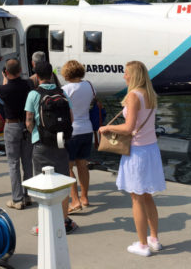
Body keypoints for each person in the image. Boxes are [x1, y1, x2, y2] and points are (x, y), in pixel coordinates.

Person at [98, 61, 164, 257]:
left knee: (136, 198)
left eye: (126, 73)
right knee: (147, 196)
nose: (124, 76)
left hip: (138, 152)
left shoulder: (134, 96)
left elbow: (128, 128)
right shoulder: (150, 95)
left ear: (133, 76)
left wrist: (107, 128)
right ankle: (154, 238)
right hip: (151, 149)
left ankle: (142, 245)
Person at [25, 61, 77, 234]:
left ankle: (44, 224)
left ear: (36, 76)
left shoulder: (33, 94)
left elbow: (29, 120)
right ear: (52, 74)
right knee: (62, 183)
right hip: (61, 143)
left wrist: (33, 133)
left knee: (42, 185)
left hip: (41, 144)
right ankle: (63, 220)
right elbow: (71, 117)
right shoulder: (61, 92)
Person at [0, 58, 33, 210]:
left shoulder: (3, 89)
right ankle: (28, 195)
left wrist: (5, 77)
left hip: (11, 125)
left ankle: (17, 199)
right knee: (27, 162)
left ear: (5, 72)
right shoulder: (28, 85)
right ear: (20, 70)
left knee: (13, 163)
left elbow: (3, 94)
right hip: (26, 124)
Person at [60, 60, 94, 213]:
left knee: (68, 166)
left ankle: (75, 200)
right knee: (83, 164)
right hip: (87, 129)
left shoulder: (65, 90)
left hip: (72, 131)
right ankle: (85, 197)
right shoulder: (89, 86)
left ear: (67, 73)